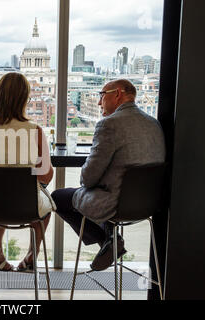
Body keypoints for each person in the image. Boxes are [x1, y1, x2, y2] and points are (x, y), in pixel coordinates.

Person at [51, 79, 166, 271]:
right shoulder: (153, 124)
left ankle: (107, 241)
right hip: (148, 204)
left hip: (115, 204)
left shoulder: (109, 125)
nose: (99, 102)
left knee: (57, 197)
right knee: (102, 191)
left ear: (118, 94)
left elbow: (87, 178)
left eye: (102, 95)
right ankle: (110, 239)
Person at [0, 72, 55, 271]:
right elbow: (46, 175)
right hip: (25, 206)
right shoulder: (34, 130)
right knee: (44, 209)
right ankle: (30, 256)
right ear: (25, 99)